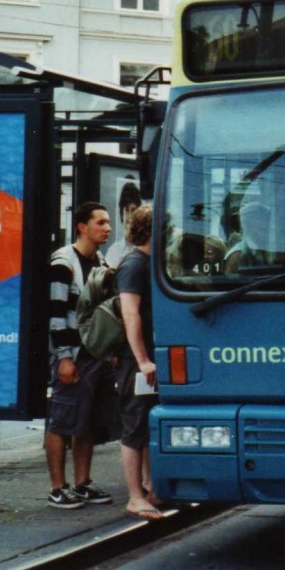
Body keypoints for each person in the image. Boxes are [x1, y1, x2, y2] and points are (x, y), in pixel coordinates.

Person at [45, 202, 116, 510]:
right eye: (100, 222)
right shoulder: (64, 262)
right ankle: (57, 488)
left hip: (95, 353)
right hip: (73, 354)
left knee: (85, 420)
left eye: (108, 223)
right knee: (61, 420)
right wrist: (63, 357)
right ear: (82, 227)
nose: (108, 228)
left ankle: (82, 482)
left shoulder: (99, 260)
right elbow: (56, 312)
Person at [114, 204, 163, 519]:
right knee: (134, 425)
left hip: (147, 357)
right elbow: (130, 314)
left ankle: (151, 488)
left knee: (146, 421)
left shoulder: (148, 263)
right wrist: (142, 360)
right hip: (137, 361)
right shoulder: (134, 265)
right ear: (150, 229)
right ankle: (135, 496)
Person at [105, 181, 142, 267]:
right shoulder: (114, 250)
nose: (130, 217)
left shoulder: (145, 247)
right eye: (126, 210)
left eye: (133, 210)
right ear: (122, 214)